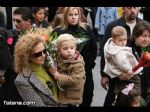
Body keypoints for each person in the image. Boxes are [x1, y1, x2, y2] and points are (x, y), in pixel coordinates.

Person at [53, 7, 97, 107]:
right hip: (65, 72)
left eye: (76, 15)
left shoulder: (86, 28)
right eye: (70, 15)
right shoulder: (58, 31)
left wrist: (89, 64)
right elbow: (53, 52)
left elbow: (94, 48)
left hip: (85, 69)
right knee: (68, 101)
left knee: (87, 96)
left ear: (79, 15)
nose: (73, 17)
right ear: (65, 16)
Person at [100, 7, 144, 106]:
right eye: (129, 7)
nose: (132, 10)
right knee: (116, 100)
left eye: (135, 7)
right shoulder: (113, 26)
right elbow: (105, 52)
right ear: (123, 9)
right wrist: (104, 75)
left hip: (140, 72)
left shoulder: (144, 25)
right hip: (117, 73)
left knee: (137, 100)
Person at [14, 33, 58, 107]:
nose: (43, 55)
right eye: (38, 54)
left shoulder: (48, 65)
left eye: (44, 51)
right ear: (26, 56)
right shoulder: (22, 81)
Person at [104, 26, 142, 99]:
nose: (123, 42)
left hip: (115, 71)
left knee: (121, 83)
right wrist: (130, 70)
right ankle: (136, 92)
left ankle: (118, 90)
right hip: (124, 70)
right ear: (114, 40)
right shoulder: (118, 52)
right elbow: (122, 64)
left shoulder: (111, 46)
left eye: (125, 39)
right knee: (137, 80)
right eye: (120, 40)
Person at [48, 34, 86, 106]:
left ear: (75, 48)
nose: (69, 51)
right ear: (59, 50)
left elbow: (74, 80)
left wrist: (57, 75)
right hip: (62, 95)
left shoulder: (78, 63)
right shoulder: (59, 58)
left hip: (71, 99)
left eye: (72, 48)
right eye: (65, 48)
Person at [128, 21, 150, 106]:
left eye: (149, 36)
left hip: (146, 93)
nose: (147, 39)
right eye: (144, 36)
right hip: (132, 95)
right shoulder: (127, 50)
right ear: (135, 36)